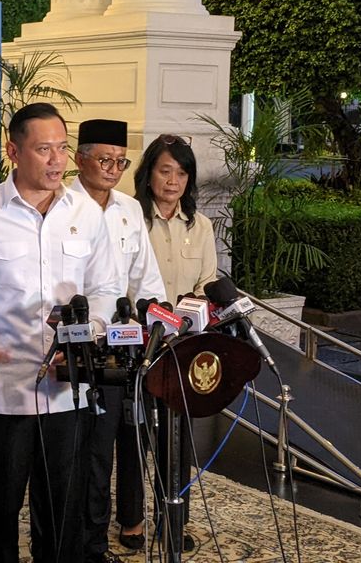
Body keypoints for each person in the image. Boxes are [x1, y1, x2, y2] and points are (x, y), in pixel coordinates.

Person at [0, 103, 122, 563]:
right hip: (2, 392)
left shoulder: (86, 214)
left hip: (67, 389)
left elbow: (108, 287)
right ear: (14, 151)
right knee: (1, 507)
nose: (56, 161)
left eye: (62, 149)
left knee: (63, 509)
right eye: (44, 149)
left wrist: (87, 333)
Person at [71, 119, 166, 563]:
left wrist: (157, 323)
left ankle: (132, 518)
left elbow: (146, 277)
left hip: (128, 343)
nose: (112, 169)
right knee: (93, 445)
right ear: (80, 159)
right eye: (104, 160)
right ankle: (88, 536)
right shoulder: (61, 204)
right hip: (82, 346)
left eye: (120, 161)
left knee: (134, 433)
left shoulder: (129, 208)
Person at [131, 134, 219, 553]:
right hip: (139, 340)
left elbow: (208, 280)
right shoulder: (130, 217)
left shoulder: (199, 225)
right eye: (165, 170)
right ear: (148, 174)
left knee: (177, 436)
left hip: (184, 342)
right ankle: (131, 521)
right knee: (135, 432)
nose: (173, 181)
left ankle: (173, 519)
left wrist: (195, 307)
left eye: (181, 173)